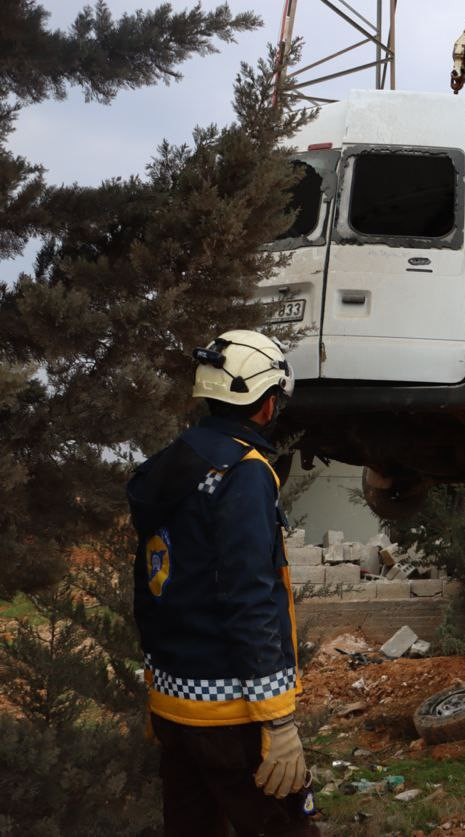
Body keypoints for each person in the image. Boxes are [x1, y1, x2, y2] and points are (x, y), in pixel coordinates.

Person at [127, 329, 318, 836]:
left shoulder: (169, 465)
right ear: (266, 404)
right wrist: (277, 721)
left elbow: (149, 587)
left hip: (174, 710)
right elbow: (249, 595)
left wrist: (155, 688)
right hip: (234, 717)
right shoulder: (244, 471)